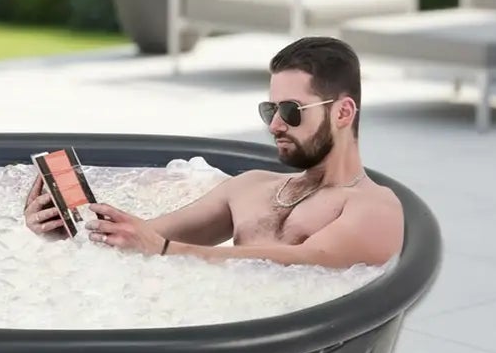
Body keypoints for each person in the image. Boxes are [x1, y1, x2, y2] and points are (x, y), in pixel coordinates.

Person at [23, 36, 404, 269]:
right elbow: (143, 238)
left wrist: (165, 251)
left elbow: (310, 263)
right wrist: (68, 229)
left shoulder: (374, 208)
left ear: (343, 112)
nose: (274, 126)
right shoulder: (250, 187)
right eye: (270, 110)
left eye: (290, 111)